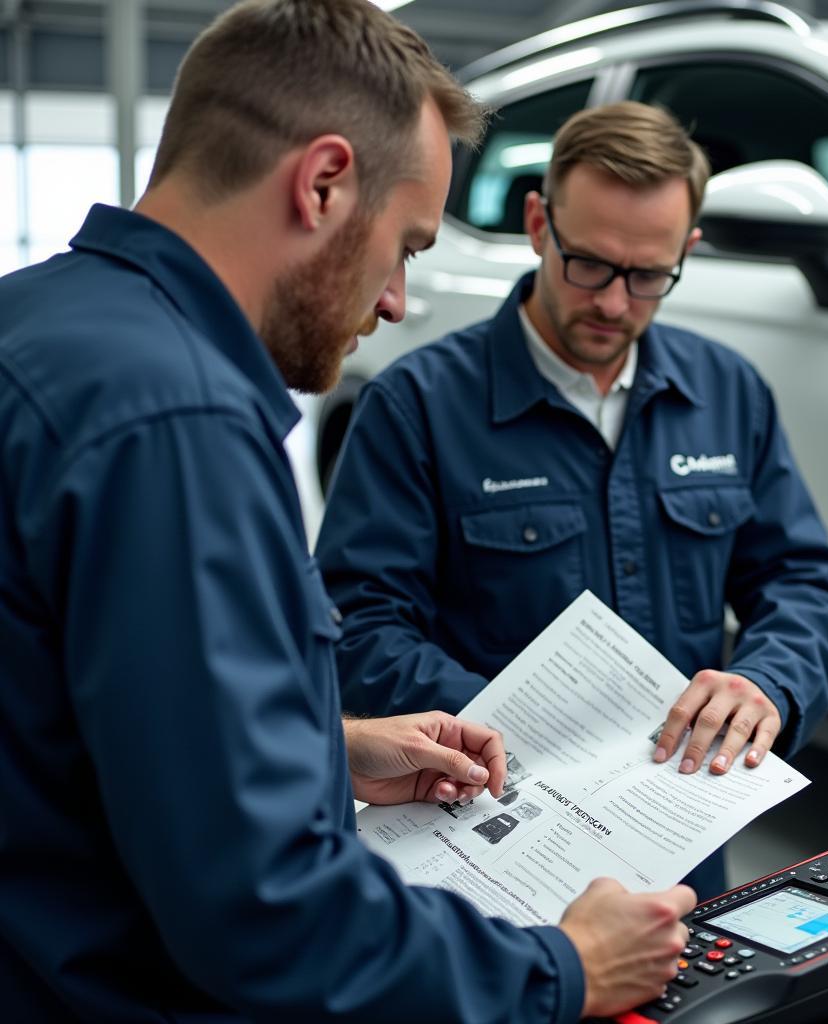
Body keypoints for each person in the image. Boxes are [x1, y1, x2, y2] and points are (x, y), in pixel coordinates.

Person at [0, 4, 697, 1021]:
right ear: (324, 184)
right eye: (404, 245)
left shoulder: (38, 320)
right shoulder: (177, 420)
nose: (395, 303)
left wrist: (329, 747)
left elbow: (70, 717)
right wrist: (562, 966)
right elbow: (266, 910)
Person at [315, 101, 828, 899]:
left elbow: (802, 580)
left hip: (678, 851)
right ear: (538, 224)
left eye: (647, 276)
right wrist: (522, 729)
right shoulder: (416, 408)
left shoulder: (729, 394)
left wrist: (769, 684)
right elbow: (360, 625)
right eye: (589, 264)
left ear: (687, 251)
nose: (611, 302)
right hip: (493, 840)